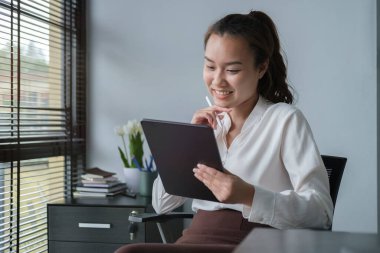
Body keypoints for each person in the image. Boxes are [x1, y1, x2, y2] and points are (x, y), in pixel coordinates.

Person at [116, 10, 333, 253]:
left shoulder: (285, 120)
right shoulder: (208, 125)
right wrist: (187, 143)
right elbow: (161, 204)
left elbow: (321, 212)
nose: (217, 81)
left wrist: (249, 195)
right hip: (195, 239)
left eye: (232, 70)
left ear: (261, 68)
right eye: (210, 66)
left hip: (256, 244)